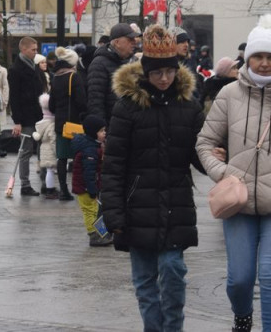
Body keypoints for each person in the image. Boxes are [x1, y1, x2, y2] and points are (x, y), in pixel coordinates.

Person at [101, 25, 204, 332]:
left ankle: (173, 327)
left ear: (177, 70)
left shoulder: (189, 106)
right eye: (157, 73)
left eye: (169, 72)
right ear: (146, 72)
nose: (163, 79)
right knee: (145, 280)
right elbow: (114, 164)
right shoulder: (127, 107)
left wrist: (218, 159)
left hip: (175, 203)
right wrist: (113, 212)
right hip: (137, 206)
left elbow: (199, 154)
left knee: (173, 269)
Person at [197, 15, 271, 332]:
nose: (264, 63)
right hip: (239, 200)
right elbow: (205, 143)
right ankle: (242, 316)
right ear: (247, 58)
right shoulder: (229, 94)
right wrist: (223, 173)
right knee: (240, 277)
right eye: (257, 56)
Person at [8, 36, 47, 196]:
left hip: (39, 115)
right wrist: (17, 121)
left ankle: (46, 182)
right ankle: (25, 184)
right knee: (26, 151)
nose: (36, 52)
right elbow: (14, 97)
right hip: (26, 116)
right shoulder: (16, 69)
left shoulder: (34, 66)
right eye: (33, 49)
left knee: (43, 149)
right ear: (23, 49)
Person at [49, 46, 87, 201]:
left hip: (60, 125)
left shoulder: (55, 77)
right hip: (75, 124)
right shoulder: (74, 77)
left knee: (62, 157)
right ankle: (81, 187)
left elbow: (51, 105)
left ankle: (64, 191)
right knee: (81, 156)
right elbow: (82, 102)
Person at [87, 23, 139, 123]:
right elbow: (95, 101)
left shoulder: (134, 62)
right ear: (117, 42)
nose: (134, 42)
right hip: (111, 127)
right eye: (130, 39)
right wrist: (102, 129)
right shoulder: (99, 64)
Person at [71, 114, 109, 246]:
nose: (105, 133)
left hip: (88, 185)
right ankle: (94, 236)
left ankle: (101, 234)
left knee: (95, 210)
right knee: (90, 211)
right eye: (101, 131)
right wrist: (92, 188)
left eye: (104, 130)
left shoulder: (93, 145)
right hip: (85, 187)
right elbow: (88, 172)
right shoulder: (90, 150)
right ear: (94, 133)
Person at [33, 93, 59, 198]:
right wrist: (57, 152)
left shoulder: (40, 124)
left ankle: (47, 188)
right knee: (50, 171)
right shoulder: (51, 125)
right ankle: (50, 190)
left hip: (43, 149)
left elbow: (37, 136)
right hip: (50, 150)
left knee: (48, 170)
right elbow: (53, 140)